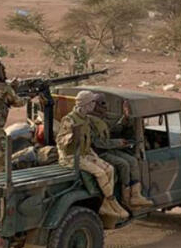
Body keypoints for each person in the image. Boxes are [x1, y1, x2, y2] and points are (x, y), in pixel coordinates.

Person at [56, 91, 127, 219]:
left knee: (109, 169)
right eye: (92, 102)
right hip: (71, 157)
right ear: (86, 104)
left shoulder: (86, 119)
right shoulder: (69, 119)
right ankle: (111, 201)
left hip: (85, 153)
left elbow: (102, 128)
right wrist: (71, 136)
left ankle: (106, 204)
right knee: (100, 173)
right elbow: (60, 141)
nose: (94, 104)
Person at [90, 94, 153, 210]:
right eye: (102, 104)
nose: (105, 107)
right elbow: (97, 143)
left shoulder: (101, 119)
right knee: (123, 164)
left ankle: (135, 195)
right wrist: (118, 143)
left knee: (132, 161)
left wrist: (125, 118)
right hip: (97, 153)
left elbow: (112, 131)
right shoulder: (89, 121)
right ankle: (125, 198)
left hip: (108, 149)